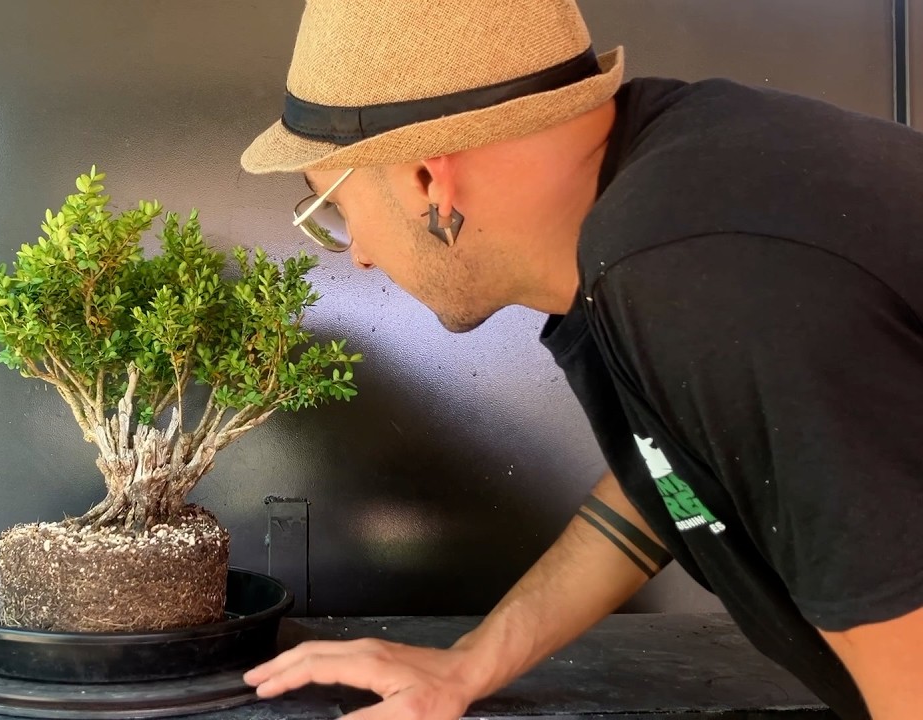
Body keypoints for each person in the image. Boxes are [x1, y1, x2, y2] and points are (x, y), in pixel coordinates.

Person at [235, 1, 923, 718]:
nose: (359, 255)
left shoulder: (699, 280)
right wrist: (469, 665)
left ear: (426, 180)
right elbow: (682, 467)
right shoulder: (670, 194)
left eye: (334, 209)